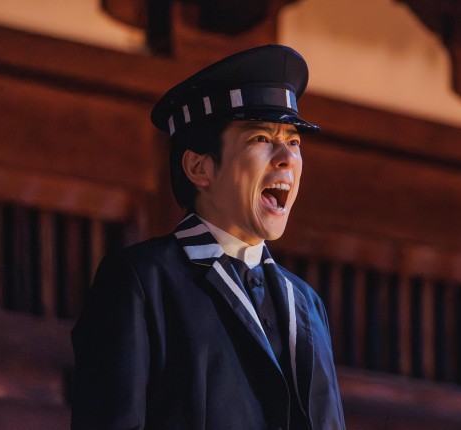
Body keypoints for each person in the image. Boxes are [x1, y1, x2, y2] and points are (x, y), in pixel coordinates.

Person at [70, 45, 345, 430]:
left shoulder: (307, 302)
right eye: (261, 137)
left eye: (294, 141)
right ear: (199, 167)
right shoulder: (142, 281)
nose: (287, 157)